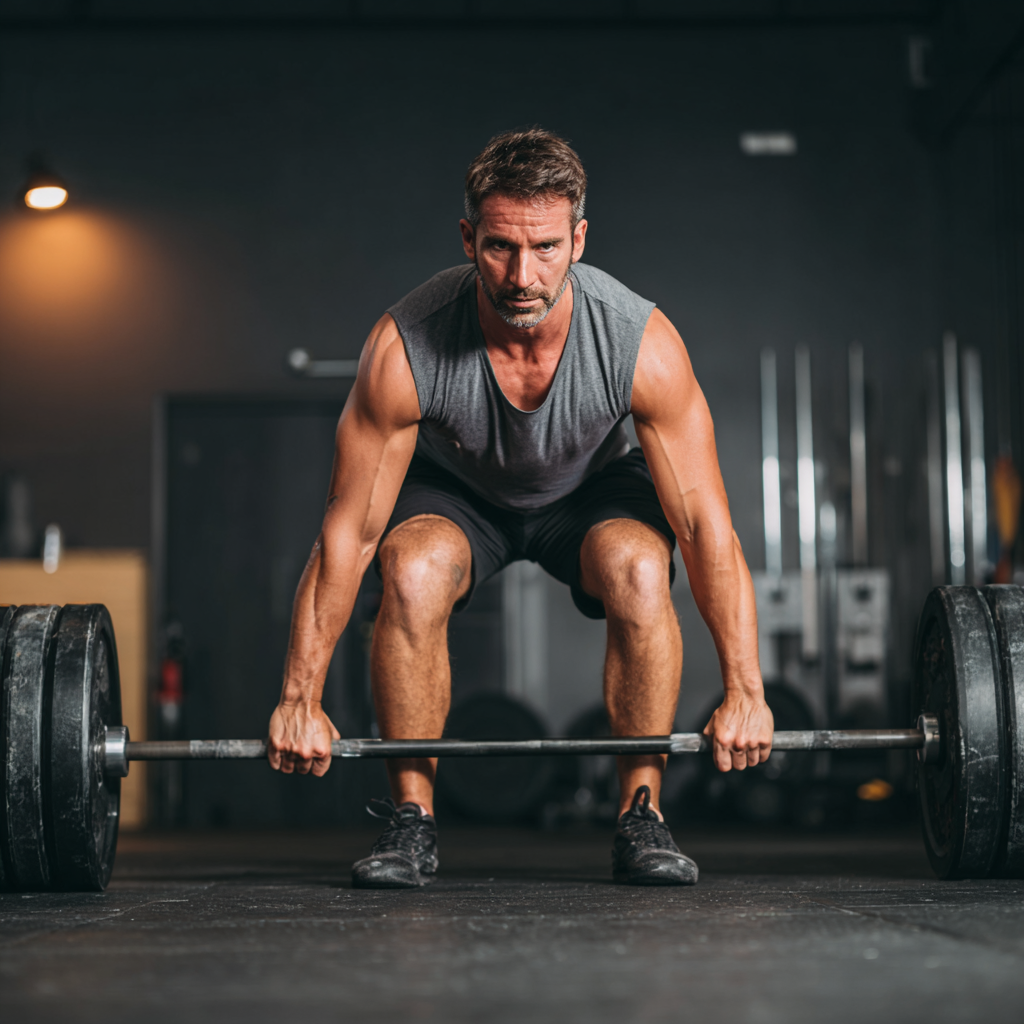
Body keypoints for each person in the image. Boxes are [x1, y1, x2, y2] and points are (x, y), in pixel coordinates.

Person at [267, 128, 774, 888]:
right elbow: (348, 534)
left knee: (642, 568)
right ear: (469, 237)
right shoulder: (407, 345)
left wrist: (747, 691)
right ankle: (412, 820)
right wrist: (297, 698)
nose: (523, 274)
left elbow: (706, 528)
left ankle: (642, 813)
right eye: (501, 246)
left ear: (579, 238)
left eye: (544, 247)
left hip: (591, 496)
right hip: (459, 493)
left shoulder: (639, 342)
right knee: (409, 569)